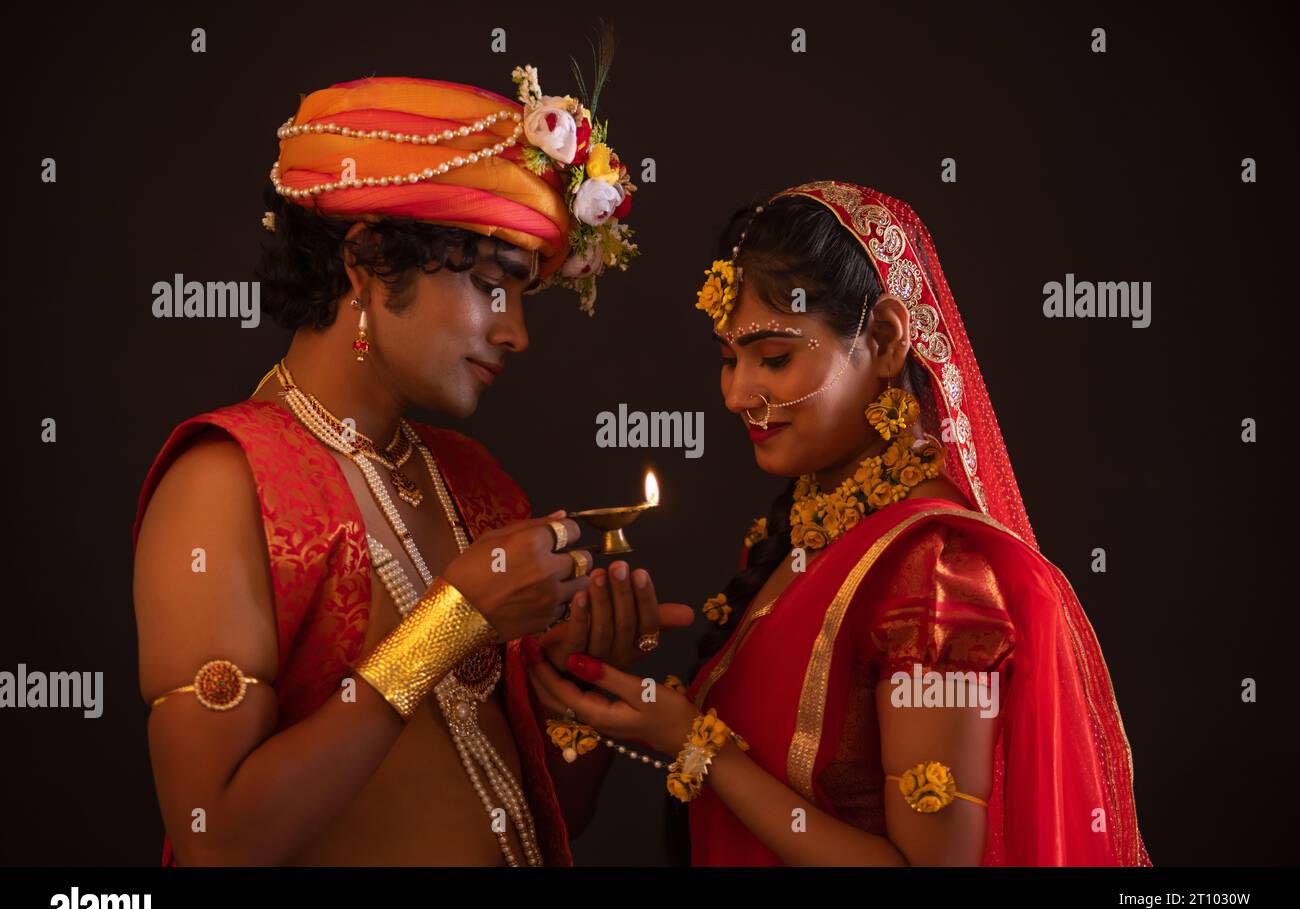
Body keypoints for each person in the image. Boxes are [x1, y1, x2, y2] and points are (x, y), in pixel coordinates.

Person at [132, 62, 691, 866]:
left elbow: (540, 812)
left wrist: (575, 689)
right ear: (368, 258)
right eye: (493, 285)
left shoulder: (474, 482)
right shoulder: (223, 484)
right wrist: (451, 620)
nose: (516, 333)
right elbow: (214, 839)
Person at [526, 181, 1152, 866]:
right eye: (728, 359)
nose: (738, 395)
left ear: (883, 339)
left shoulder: (935, 573)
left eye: (774, 357)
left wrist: (698, 746)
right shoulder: (806, 538)